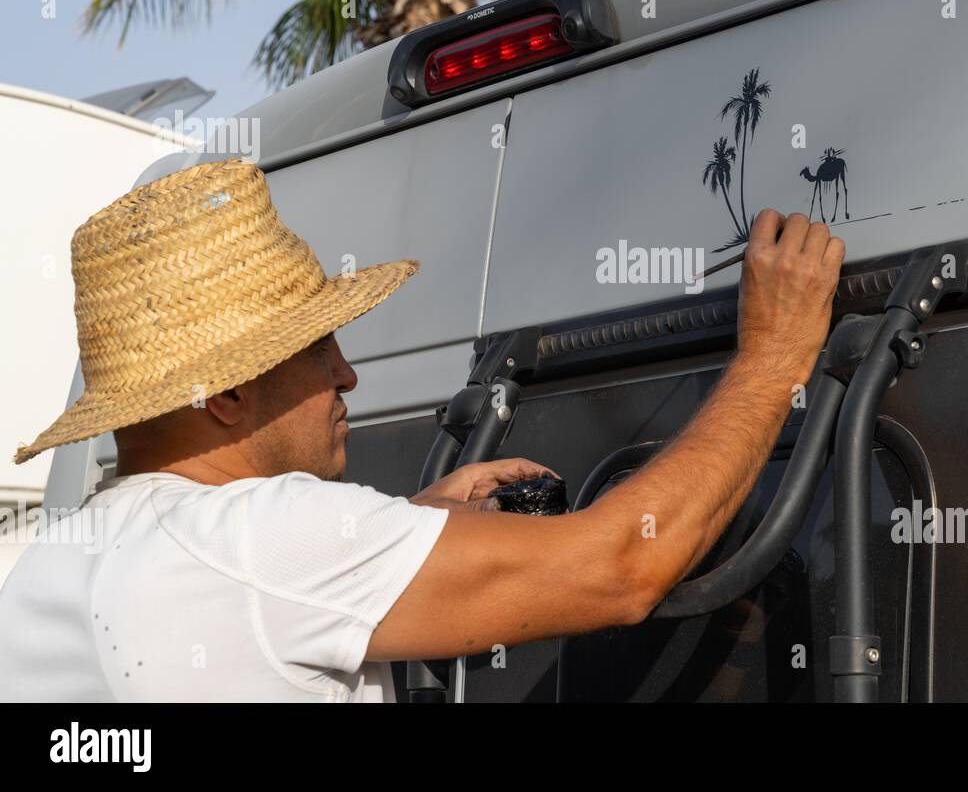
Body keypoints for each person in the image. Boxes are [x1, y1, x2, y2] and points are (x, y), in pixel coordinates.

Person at [0, 157, 843, 701]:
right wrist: (774, 360)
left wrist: (405, 529)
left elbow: (253, 602)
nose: (346, 375)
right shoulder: (273, 539)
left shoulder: (47, 575)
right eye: (317, 349)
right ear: (222, 393)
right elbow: (620, 566)